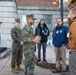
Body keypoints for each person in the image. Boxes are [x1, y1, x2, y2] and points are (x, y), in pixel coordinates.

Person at [69, 8, 76, 75]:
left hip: (74, 50)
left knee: (73, 70)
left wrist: (72, 46)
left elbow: (74, 37)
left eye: (70, 14)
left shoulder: (74, 24)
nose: (69, 16)